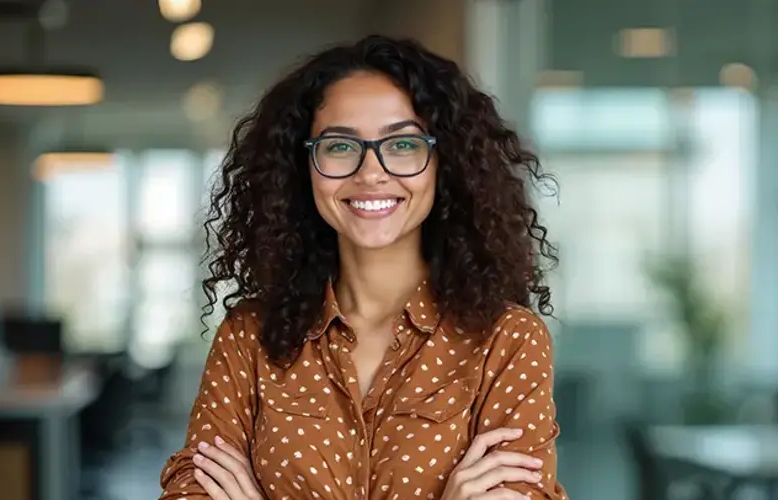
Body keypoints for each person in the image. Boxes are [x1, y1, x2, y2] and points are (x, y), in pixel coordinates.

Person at [160, 34, 566, 500]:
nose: (370, 172)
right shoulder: (248, 336)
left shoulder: (508, 341)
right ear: (303, 164)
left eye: (402, 145)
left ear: (444, 162)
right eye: (339, 147)